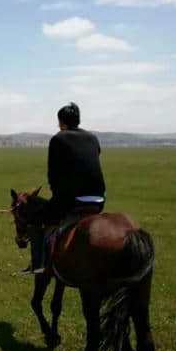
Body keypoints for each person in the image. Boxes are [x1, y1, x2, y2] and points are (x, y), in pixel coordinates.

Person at [21, 102, 106, 274]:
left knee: (35, 218)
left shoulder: (58, 139)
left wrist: (57, 197)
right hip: (98, 200)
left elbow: (53, 174)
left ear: (61, 122)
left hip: (72, 201)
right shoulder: (93, 138)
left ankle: (38, 265)